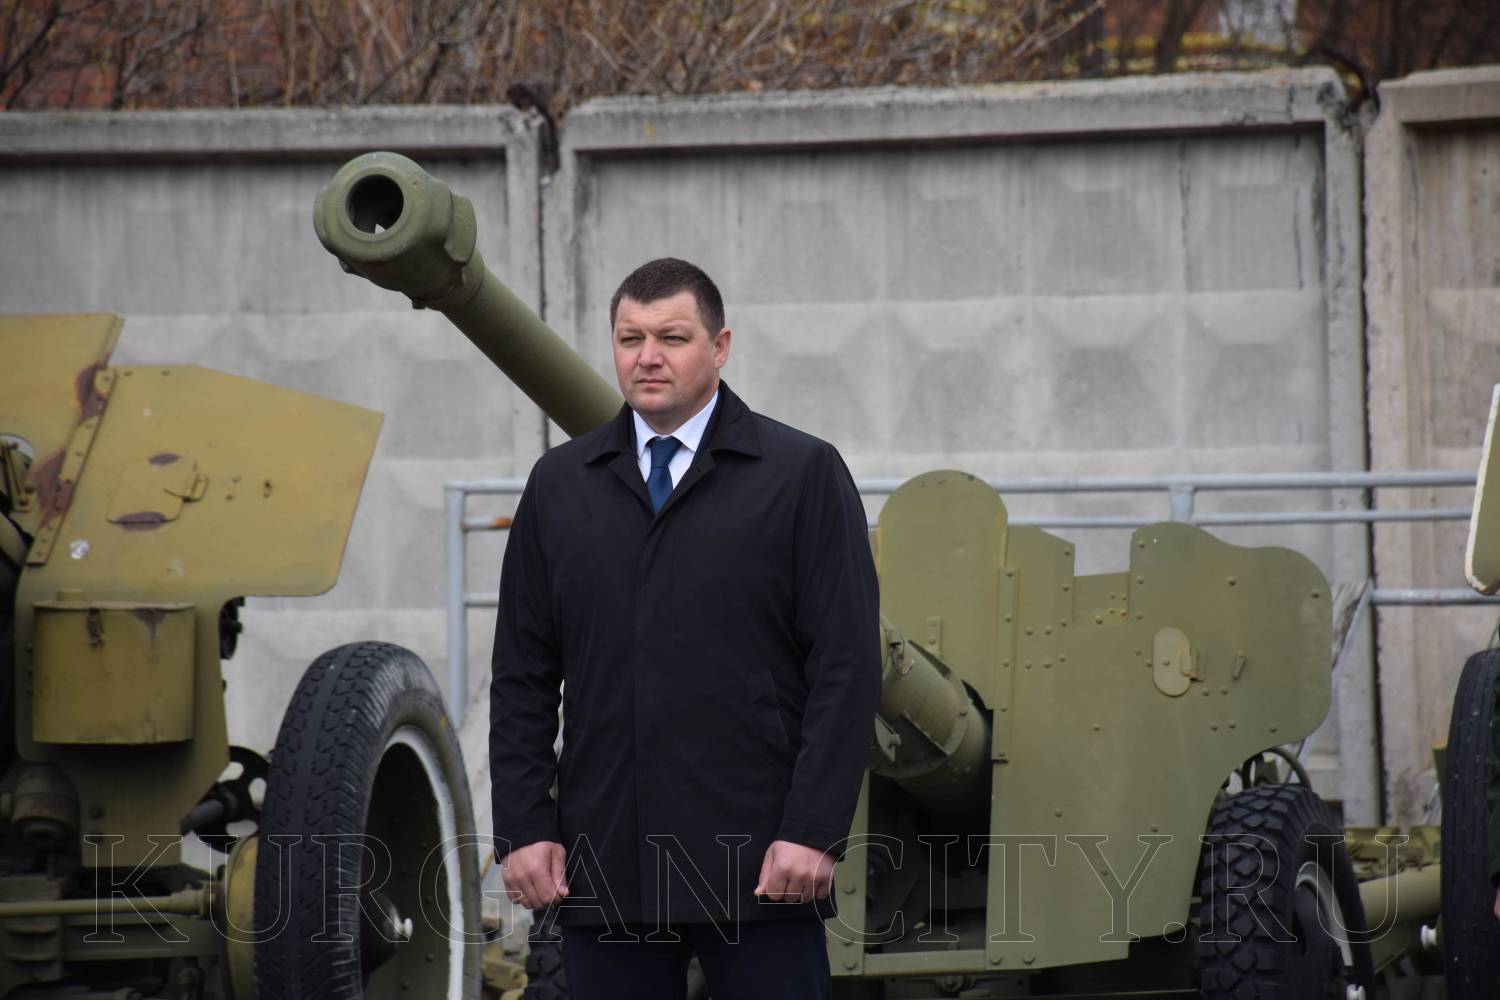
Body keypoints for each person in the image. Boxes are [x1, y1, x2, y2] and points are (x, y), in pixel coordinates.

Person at [489, 257, 881, 999]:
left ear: (720, 346)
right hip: (606, 861)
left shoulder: (799, 474)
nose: (648, 357)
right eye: (630, 338)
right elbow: (521, 674)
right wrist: (524, 826)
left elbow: (847, 664)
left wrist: (814, 831)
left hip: (760, 861)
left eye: (672, 337)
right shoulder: (560, 485)